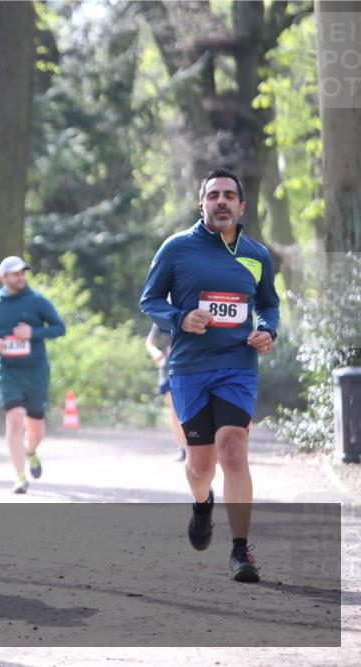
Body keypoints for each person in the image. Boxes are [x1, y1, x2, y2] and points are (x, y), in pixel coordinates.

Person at [140, 167, 279, 583]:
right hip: (189, 369)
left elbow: (269, 304)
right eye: (213, 195)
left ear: (241, 206)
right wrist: (180, 317)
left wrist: (268, 330)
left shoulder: (257, 255)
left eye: (228, 196)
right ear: (202, 204)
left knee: (233, 447)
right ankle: (202, 505)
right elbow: (150, 299)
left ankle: (241, 551)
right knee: (200, 466)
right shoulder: (177, 248)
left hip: (237, 366)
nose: (221, 201)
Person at [0, 256, 66, 493]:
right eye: (16, 274)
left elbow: (59, 327)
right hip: (7, 372)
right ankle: (19, 476)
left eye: (23, 273)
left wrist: (33, 332)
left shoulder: (37, 301)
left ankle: (31, 450)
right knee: (14, 419)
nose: (21, 277)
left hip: (36, 371)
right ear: (3, 278)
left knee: (36, 429)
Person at [145, 322, 187, 461]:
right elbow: (149, 343)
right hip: (168, 370)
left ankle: (200, 446)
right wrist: (156, 352)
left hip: (191, 368)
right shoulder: (161, 317)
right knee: (175, 411)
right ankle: (182, 448)